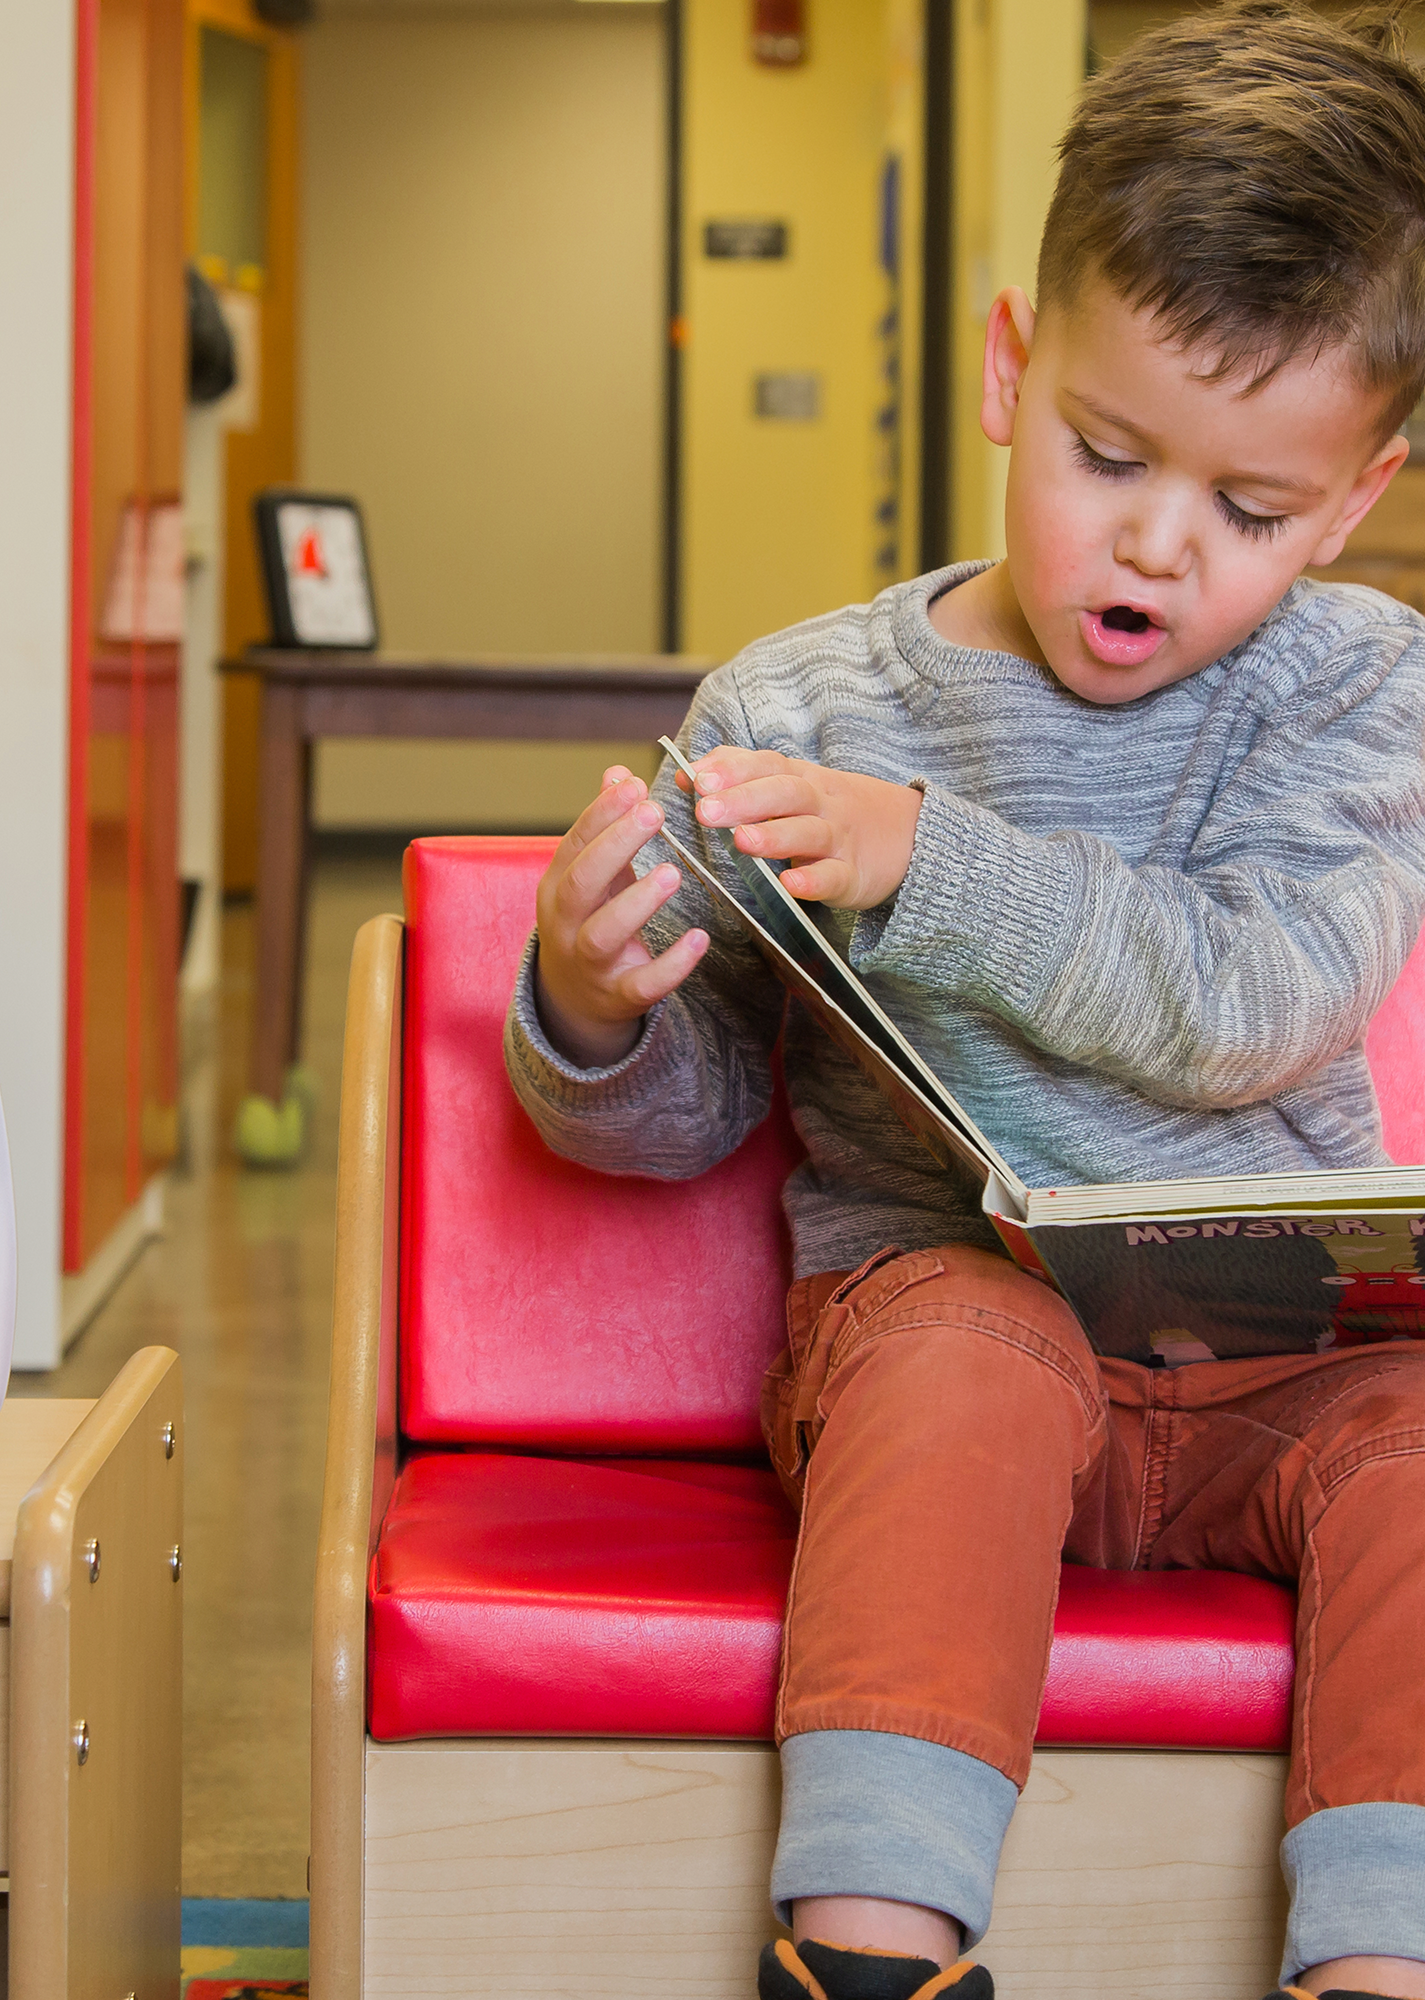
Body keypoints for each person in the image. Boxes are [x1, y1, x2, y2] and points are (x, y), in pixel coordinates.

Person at [504, 6, 1425, 1997]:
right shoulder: (799, 706)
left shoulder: (1351, 684)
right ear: (1012, 374)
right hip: (944, 1314)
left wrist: (930, 856)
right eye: (1108, 455)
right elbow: (691, 1114)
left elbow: (1251, 1000)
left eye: (1252, 511)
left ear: (1350, 502)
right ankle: (867, 1951)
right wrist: (596, 1001)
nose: (1161, 544)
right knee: (962, 1356)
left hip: (1287, 1353)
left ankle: (1385, 1958)